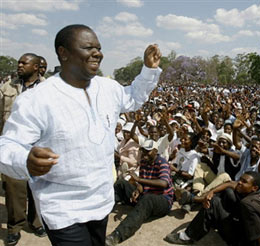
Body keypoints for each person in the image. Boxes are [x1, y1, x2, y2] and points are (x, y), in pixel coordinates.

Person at [0, 24, 162, 246]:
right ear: (63, 53)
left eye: (98, 47)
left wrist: (148, 70)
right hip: (63, 208)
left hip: (101, 201)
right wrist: (25, 160)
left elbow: (133, 97)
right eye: (88, 47)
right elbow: (7, 146)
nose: (97, 53)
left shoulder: (108, 88)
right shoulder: (36, 99)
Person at [0, 53, 45, 245]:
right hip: (12, 146)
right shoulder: (7, 87)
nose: (19, 65)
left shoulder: (48, 89)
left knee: (38, 188)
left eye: (23, 63)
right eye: (19, 62)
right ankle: (15, 227)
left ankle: (36, 222)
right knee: (13, 189)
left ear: (35, 67)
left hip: (38, 146)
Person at [164, 171, 260, 246]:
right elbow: (230, 183)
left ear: (254, 188)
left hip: (242, 241)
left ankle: (187, 237)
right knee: (225, 193)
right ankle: (207, 213)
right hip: (242, 226)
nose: (240, 182)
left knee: (215, 202)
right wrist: (211, 192)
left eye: (244, 182)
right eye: (240, 179)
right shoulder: (255, 194)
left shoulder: (248, 204)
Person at [105, 139, 174, 246]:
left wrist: (138, 180)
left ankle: (118, 235)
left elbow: (163, 183)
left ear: (155, 151)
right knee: (121, 183)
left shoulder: (162, 163)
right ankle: (105, 208)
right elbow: (143, 183)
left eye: (148, 151)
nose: (145, 153)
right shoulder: (144, 162)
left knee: (148, 198)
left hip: (162, 200)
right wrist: (137, 190)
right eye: (143, 150)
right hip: (146, 196)